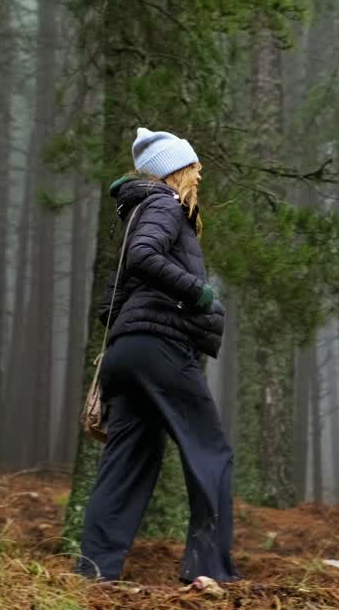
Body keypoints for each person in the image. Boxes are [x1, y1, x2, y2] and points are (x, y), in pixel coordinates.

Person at [76, 127, 239, 584]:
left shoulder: (135, 214)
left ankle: (94, 573)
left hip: (125, 356)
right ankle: (210, 570)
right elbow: (146, 257)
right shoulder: (164, 206)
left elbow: (110, 305)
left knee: (126, 465)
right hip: (159, 349)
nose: (199, 175)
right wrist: (198, 294)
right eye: (194, 167)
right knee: (210, 450)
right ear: (173, 170)